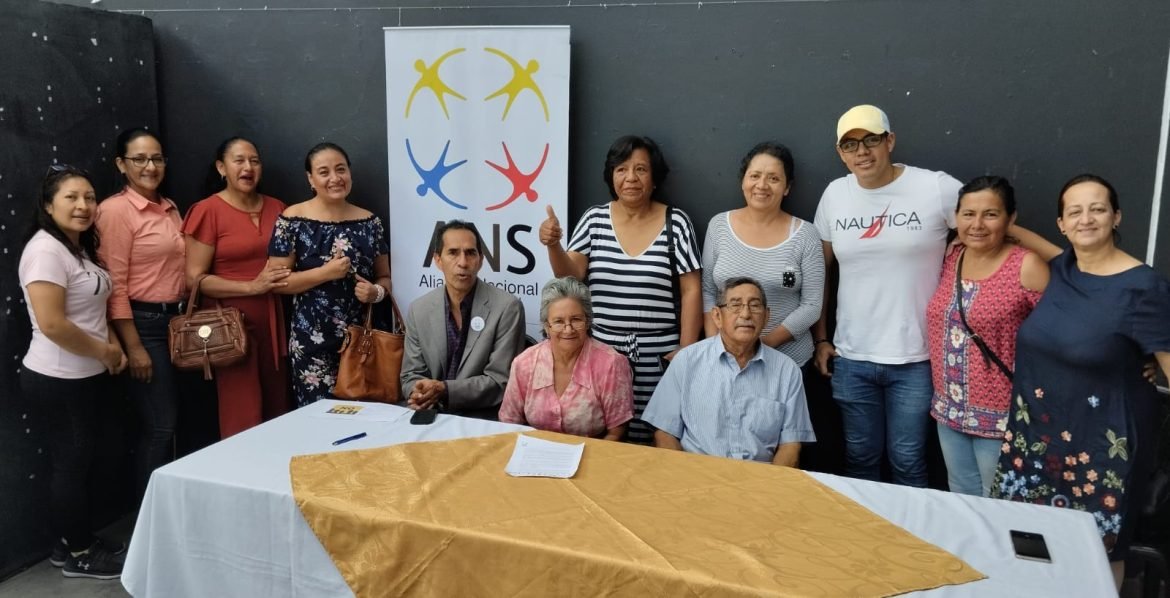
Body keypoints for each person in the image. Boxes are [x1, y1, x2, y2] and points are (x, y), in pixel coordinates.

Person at [992, 174, 1170, 584]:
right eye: (1074, 212)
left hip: (1103, 448)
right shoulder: (1064, 268)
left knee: (1099, 551)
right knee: (1032, 538)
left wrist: (1153, 363)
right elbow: (1021, 236)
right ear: (1061, 223)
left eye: (1097, 209)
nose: (1085, 219)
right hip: (1036, 439)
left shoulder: (1144, 286)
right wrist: (989, 224)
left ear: (1116, 216)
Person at [812, 104, 963, 487]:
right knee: (859, 459)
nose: (862, 152)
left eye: (871, 140)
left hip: (916, 357)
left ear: (890, 141)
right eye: (850, 145)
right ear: (840, 153)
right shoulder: (835, 194)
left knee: (908, 460)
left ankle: (909, 528)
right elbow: (820, 272)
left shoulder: (935, 187)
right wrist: (822, 338)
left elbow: (985, 219)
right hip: (852, 356)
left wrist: (962, 248)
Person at [539, 135, 702, 443]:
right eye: (621, 169)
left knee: (658, 438)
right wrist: (553, 245)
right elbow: (570, 276)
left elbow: (692, 290)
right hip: (602, 353)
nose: (631, 178)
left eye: (641, 169)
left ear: (654, 177)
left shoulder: (676, 222)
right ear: (611, 175)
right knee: (606, 436)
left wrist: (685, 352)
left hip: (660, 356)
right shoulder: (595, 219)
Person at [19, 166, 128, 580]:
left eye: (89, 197)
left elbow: (90, 312)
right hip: (58, 378)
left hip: (85, 376)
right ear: (48, 205)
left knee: (80, 464)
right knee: (70, 466)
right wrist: (106, 351)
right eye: (71, 197)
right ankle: (80, 554)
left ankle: (70, 541)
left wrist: (109, 347)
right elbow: (53, 324)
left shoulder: (74, 248)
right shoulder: (45, 251)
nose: (83, 205)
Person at [700, 141, 831, 467]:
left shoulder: (805, 235)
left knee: (785, 456)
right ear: (743, 180)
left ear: (787, 187)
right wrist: (717, 347)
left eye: (773, 178)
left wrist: (761, 347)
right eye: (755, 175)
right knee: (727, 452)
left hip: (789, 364)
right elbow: (708, 290)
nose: (762, 185)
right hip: (725, 365)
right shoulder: (719, 226)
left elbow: (812, 304)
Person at [925, 176, 1048, 496]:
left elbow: (1063, 328)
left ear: (1010, 218)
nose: (977, 224)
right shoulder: (952, 257)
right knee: (961, 493)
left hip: (1002, 417)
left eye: (991, 214)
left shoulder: (1026, 265)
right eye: (968, 214)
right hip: (949, 410)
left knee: (1000, 501)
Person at [94, 128, 187, 502]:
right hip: (143, 326)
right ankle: (146, 519)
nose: (151, 166)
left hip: (177, 324)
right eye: (140, 159)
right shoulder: (115, 211)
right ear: (121, 164)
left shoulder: (169, 206)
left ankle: (173, 512)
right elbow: (113, 285)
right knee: (161, 427)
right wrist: (133, 347)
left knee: (179, 424)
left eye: (157, 158)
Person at [643, 277, 815, 465]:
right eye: (735, 305)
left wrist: (769, 483)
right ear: (717, 316)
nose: (746, 314)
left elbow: (791, 445)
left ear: (766, 317)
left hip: (758, 477)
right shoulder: (686, 361)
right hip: (696, 473)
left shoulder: (787, 371)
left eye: (754, 306)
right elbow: (664, 433)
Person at [269, 142, 391, 406]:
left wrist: (376, 292)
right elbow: (277, 282)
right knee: (318, 418)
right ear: (310, 179)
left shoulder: (370, 222)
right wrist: (325, 273)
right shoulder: (292, 220)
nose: (335, 178)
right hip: (312, 342)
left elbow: (385, 277)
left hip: (363, 342)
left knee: (365, 417)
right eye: (324, 172)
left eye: (341, 169)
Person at [183, 137, 290, 437]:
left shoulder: (278, 207)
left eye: (254, 161)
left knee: (278, 409)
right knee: (243, 412)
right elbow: (194, 279)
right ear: (221, 167)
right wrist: (252, 287)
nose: (248, 167)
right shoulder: (207, 210)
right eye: (239, 160)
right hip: (230, 328)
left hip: (274, 320)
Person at [401, 220, 525, 419]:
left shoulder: (507, 307)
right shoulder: (419, 309)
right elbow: (410, 374)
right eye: (453, 253)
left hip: (483, 417)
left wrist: (445, 389)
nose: (463, 262)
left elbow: (500, 381)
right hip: (429, 413)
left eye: (470, 253)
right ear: (437, 260)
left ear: (481, 260)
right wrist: (419, 392)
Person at [498, 277, 634, 439]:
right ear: (547, 326)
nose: (568, 330)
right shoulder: (524, 363)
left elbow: (617, 432)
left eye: (576, 319)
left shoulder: (611, 364)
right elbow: (509, 423)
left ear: (587, 322)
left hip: (594, 451)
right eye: (559, 321)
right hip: (535, 450)